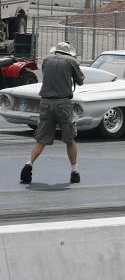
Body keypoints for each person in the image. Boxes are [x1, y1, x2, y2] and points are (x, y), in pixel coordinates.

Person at [20, 42, 85, 185]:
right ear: (69, 53)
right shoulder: (71, 61)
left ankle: (28, 164)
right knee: (69, 139)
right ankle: (74, 172)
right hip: (63, 103)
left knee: (41, 138)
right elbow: (80, 81)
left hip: (45, 103)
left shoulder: (47, 60)